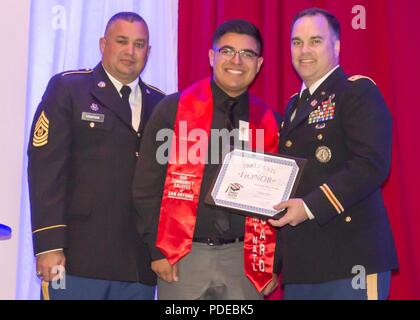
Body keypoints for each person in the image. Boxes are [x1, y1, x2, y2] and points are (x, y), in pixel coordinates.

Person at [132, 19, 281, 300]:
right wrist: (157, 250)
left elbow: (282, 198)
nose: (236, 60)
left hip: (246, 261)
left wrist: (275, 262)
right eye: (227, 51)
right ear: (212, 57)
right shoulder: (173, 111)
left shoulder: (271, 122)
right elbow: (146, 187)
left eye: (247, 54)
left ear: (259, 64)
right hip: (182, 256)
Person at [28, 12, 165, 300]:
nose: (131, 51)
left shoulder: (160, 103)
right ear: (103, 44)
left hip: (136, 264)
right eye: (122, 41)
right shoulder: (70, 88)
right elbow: (46, 169)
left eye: (139, 44)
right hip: (76, 258)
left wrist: (160, 251)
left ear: (149, 52)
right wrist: (49, 244)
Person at [269, 8, 398, 300]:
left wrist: (310, 206)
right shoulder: (292, 106)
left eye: (315, 40)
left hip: (351, 259)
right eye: (296, 42)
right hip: (302, 266)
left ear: (336, 46)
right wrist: (273, 263)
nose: (304, 50)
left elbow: (371, 164)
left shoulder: (357, 92)